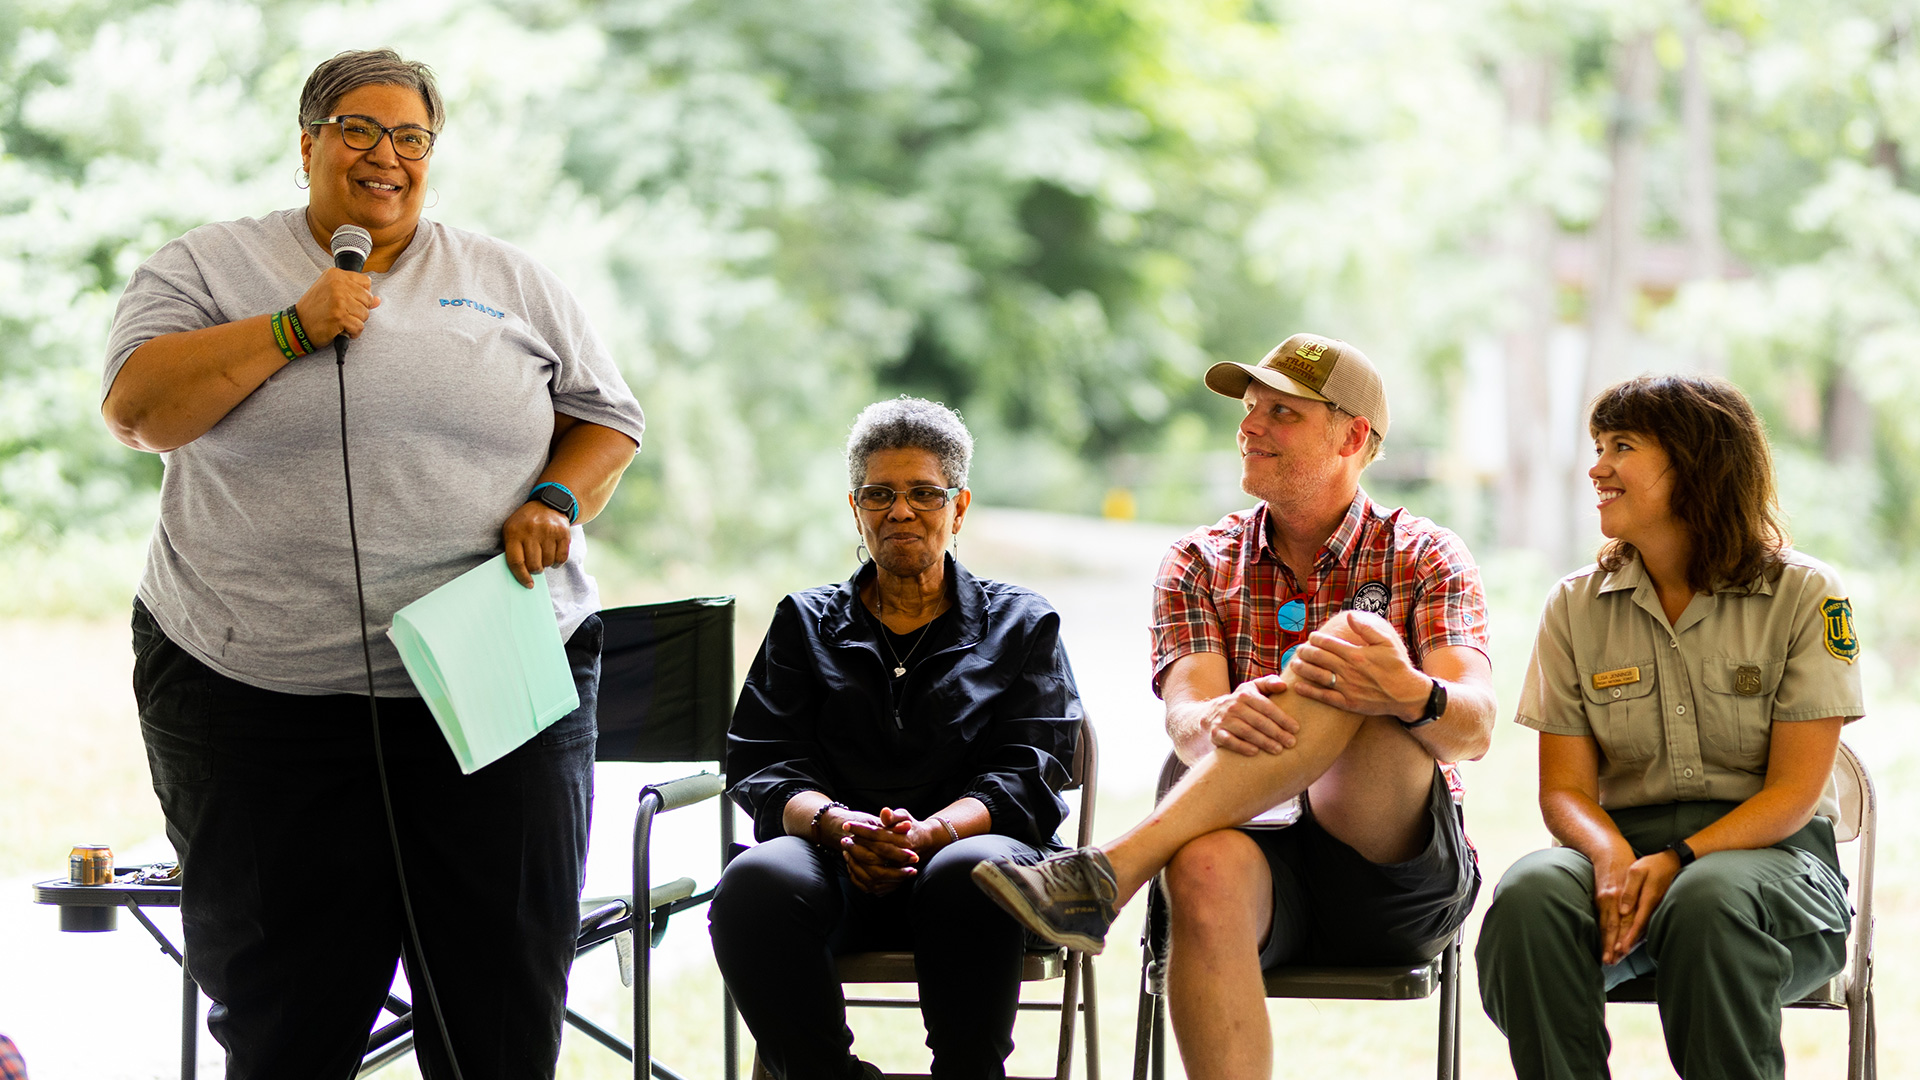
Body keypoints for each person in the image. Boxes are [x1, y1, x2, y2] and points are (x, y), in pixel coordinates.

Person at [99, 50, 644, 1079]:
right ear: (308, 143)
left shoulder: (507, 277)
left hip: (491, 687)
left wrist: (557, 495)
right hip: (255, 691)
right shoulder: (206, 266)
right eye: (356, 129)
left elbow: (608, 419)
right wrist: (292, 328)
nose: (383, 156)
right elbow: (136, 411)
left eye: (410, 137)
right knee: (286, 1012)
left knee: (496, 1004)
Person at [974, 333, 1493, 1080]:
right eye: (1250, 410)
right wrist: (1218, 718)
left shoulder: (1426, 553)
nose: (1249, 427)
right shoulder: (1198, 560)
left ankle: (1110, 872)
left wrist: (1404, 690)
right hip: (1251, 855)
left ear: (1352, 436)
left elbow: (1474, 728)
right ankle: (1111, 877)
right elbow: (1187, 717)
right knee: (1205, 866)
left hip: (1389, 872)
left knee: (1356, 637)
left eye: (1282, 413)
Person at [1475, 375, 1860, 1080]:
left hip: (1773, 866)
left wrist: (1678, 859)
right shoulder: (1573, 607)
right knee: (1531, 894)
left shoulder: (1805, 594)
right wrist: (1611, 857)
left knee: (1708, 901)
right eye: (1597, 446)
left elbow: (1795, 794)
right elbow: (1564, 792)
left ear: (1697, 460)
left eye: (1622, 446)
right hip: (1626, 855)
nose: (1596, 468)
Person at [709, 397, 1083, 1080]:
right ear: (855, 507)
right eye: (879, 494)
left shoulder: (1023, 623)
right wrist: (839, 826)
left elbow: (1029, 772)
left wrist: (931, 834)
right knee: (755, 883)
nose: (900, 512)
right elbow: (762, 762)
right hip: (834, 864)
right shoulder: (804, 621)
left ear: (959, 506)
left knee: (970, 873)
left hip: (971, 869)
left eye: (923, 494)